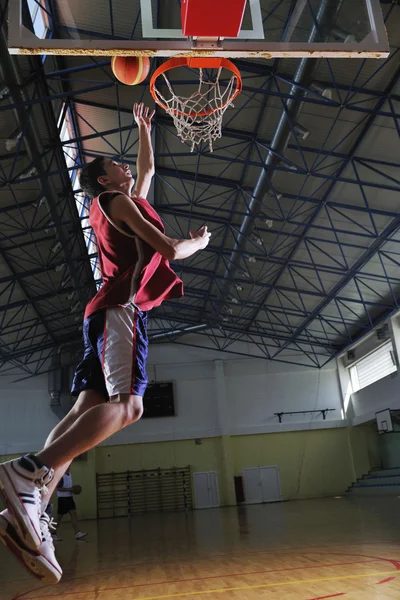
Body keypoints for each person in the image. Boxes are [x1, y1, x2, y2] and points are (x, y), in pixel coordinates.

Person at [0, 102, 211, 584]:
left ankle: (25, 513)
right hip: (122, 308)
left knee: (84, 410)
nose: (123, 165)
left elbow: (148, 170)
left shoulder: (124, 200)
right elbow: (168, 249)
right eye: (114, 165)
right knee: (130, 406)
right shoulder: (115, 203)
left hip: (103, 312)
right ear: (102, 180)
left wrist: (144, 129)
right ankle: (31, 471)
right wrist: (196, 243)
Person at [52, 471, 87, 541]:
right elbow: (58, 489)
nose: (69, 467)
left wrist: (73, 489)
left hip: (69, 498)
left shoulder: (70, 475)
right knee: (59, 518)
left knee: (73, 514)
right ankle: (53, 534)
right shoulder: (61, 476)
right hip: (62, 499)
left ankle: (77, 533)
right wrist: (70, 489)